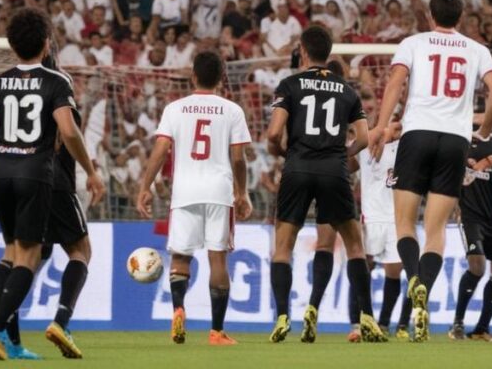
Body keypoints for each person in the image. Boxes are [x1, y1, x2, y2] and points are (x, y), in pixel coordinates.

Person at [369, 0, 492, 342]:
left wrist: (382, 127)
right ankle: (423, 296)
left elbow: (395, 83)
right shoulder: (477, 50)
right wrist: (484, 132)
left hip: (417, 134)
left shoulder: (413, 43)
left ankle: (414, 278)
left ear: (430, 16)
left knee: (404, 223)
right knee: (436, 230)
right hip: (456, 141)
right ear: (460, 18)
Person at [0, 8, 99, 360]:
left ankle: (10, 341)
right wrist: (90, 171)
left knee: (11, 254)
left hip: (1, 173)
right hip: (38, 175)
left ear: (11, 45)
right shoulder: (56, 82)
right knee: (50, 254)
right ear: (46, 43)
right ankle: (0, 330)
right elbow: (67, 132)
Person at [266, 26, 386, 343]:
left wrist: (283, 153)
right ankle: (367, 318)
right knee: (355, 245)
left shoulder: (289, 85)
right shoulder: (347, 90)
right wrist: (340, 155)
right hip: (334, 171)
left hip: (297, 169)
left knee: (283, 247)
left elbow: (273, 134)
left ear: (303, 51)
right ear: (329, 53)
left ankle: (282, 316)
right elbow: (363, 138)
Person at [136, 51, 253, 346]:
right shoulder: (232, 110)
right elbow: (239, 159)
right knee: (217, 258)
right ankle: (216, 332)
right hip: (218, 191)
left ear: (193, 76)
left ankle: (178, 308)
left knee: (180, 256)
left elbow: (160, 150)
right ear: (222, 78)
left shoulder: (174, 109)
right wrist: (242, 192)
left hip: (184, 191)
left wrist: (145, 186)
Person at [41, 50, 106, 359]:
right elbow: (64, 137)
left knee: (26, 258)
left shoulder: (16, 98)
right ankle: (61, 321)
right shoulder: (62, 103)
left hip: (22, 185)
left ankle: (1, 328)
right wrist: (91, 172)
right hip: (56, 184)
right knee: (82, 252)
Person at [448, 123, 492, 341]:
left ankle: (481, 328)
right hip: (469, 215)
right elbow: (447, 174)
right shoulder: (459, 134)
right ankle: (457, 324)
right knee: (477, 266)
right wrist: (452, 204)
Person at [349, 114, 412, 340]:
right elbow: (348, 161)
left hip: (397, 218)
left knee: (394, 271)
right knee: (362, 266)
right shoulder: (367, 145)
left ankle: (384, 323)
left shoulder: (408, 149)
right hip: (371, 217)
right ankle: (357, 323)